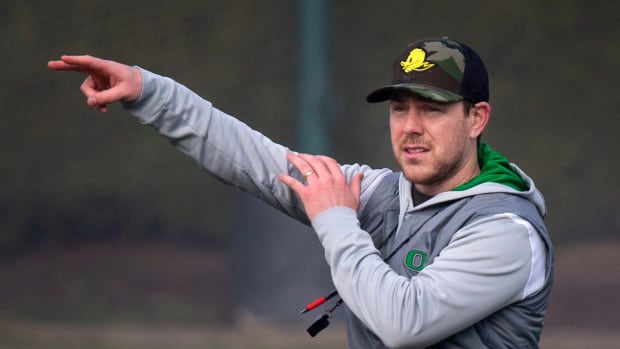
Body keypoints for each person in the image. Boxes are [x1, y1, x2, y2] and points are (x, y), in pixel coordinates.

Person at [48, 37, 553, 348]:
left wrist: (338, 220)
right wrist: (150, 91)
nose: (411, 127)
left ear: (476, 119)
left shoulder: (506, 231)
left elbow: (404, 322)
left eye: (433, 109)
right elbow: (259, 161)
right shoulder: (379, 191)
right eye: (400, 109)